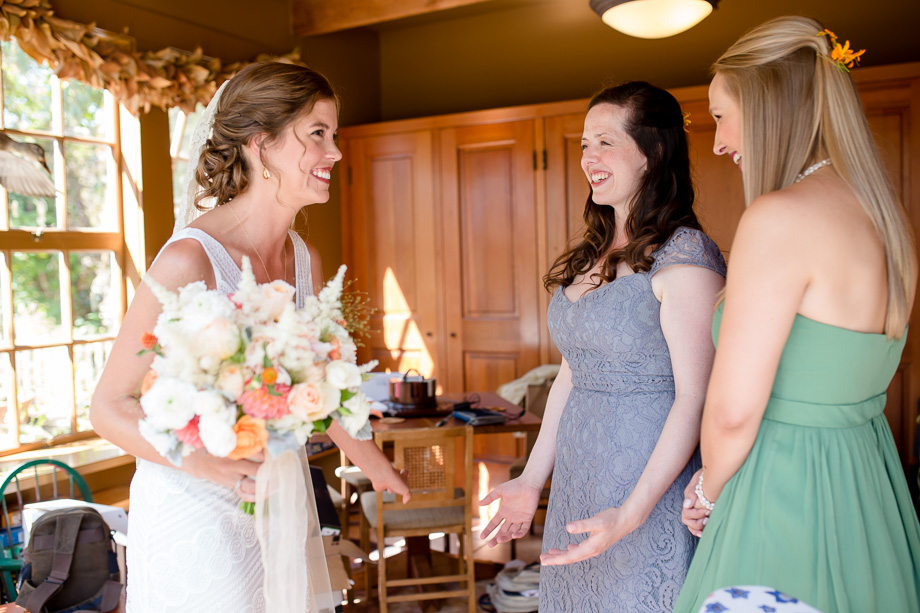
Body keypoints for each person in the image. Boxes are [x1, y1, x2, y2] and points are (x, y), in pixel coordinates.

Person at [90, 62, 410, 612]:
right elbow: (108, 407)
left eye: (333, 136)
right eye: (317, 135)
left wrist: (375, 464)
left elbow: (315, 387)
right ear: (262, 146)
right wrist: (212, 467)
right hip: (194, 506)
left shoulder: (304, 261)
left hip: (277, 494)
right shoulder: (190, 260)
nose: (334, 153)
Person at [674, 16, 920, 613]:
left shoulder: (779, 218)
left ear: (766, 107)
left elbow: (733, 413)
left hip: (784, 490)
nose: (717, 142)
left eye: (720, 116)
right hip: (868, 485)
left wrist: (705, 489)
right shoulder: (886, 221)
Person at [479, 81, 726, 612]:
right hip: (579, 480)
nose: (589, 157)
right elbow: (574, 372)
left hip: (648, 489)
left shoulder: (685, 256)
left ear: (653, 153)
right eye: (585, 144)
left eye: (606, 142)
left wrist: (634, 512)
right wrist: (530, 480)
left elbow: (696, 397)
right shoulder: (591, 252)